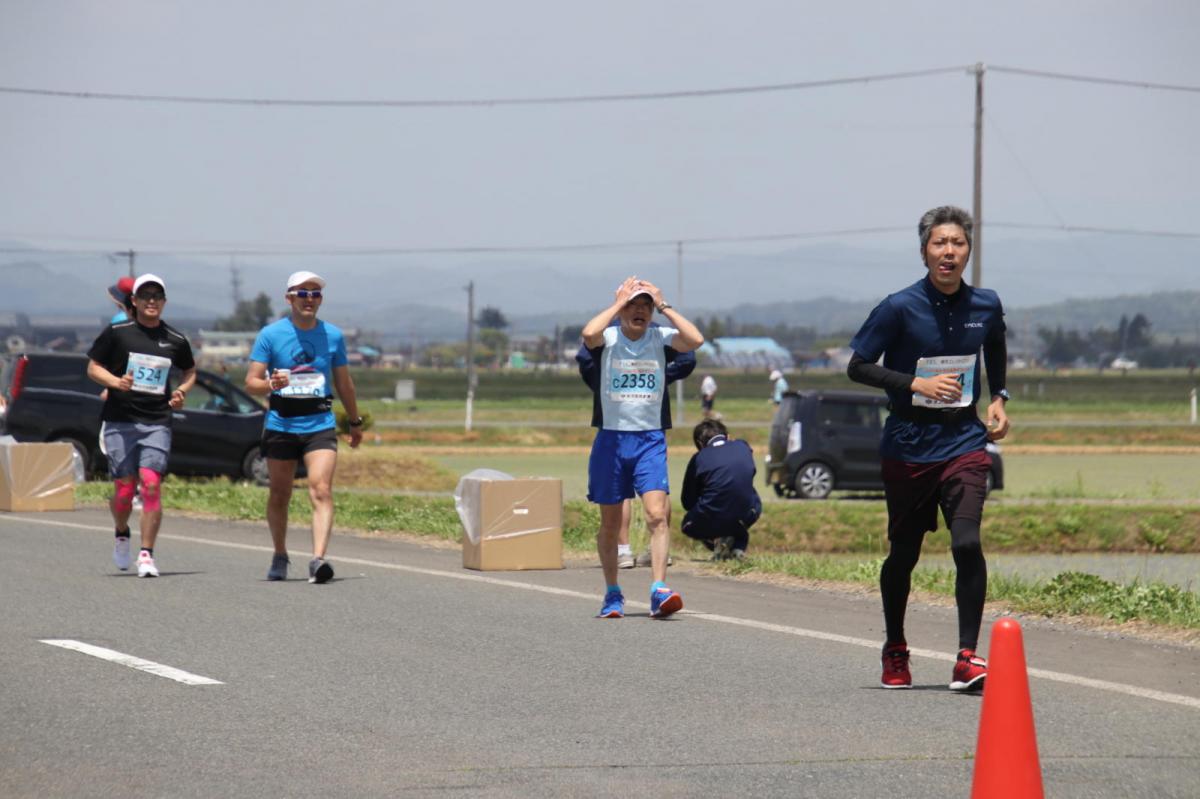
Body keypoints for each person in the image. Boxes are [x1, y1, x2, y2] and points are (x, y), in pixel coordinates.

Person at [847, 205, 1010, 692]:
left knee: (967, 543)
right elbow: (857, 365)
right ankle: (895, 646)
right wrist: (914, 382)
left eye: (957, 243)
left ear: (968, 251)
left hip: (963, 439)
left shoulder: (986, 304)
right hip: (908, 444)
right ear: (924, 252)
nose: (949, 251)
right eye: (939, 243)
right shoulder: (898, 307)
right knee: (904, 553)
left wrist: (999, 396)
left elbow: (996, 346)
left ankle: (966, 657)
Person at [581, 276, 703, 618]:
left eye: (645, 307)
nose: (640, 312)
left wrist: (665, 306)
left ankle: (658, 589)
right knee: (609, 523)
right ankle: (613, 593)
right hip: (611, 439)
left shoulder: (660, 338)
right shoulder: (608, 337)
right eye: (634, 306)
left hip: (650, 438)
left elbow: (695, 339)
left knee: (656, 514)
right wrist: (618, 303)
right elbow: (588, 335)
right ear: (622, 310)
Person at [245, 271, 363, 584]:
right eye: (303, 293)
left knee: (321, 489)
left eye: (315, 294)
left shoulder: (333, 336)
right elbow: (251, 382)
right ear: (289, 298)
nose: (309, 299)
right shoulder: (271, 335)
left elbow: (344, 383)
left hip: (319, 423)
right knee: (279, 493)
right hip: (281, 423)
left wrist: (354, 421)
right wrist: (271, 383)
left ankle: (318, 559)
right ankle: (280, 555)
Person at [87, 274, 196, 578]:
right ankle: (122, 531)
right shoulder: (118, 333)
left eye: (157, 296)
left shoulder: (175, 339)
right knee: (124, 491)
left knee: (150, 484)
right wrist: (115, 382)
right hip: (120, 420)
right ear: (133, 301)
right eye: (145, 295)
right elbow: (93, 367)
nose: (151, 301)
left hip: (157, 420)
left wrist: (181, 392)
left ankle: (146, 555)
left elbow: (190, 371)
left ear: (164, 302)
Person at [576, 321, 696, 569]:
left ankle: (624, 551)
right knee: (656, 488)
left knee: (629, 493)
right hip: (647, 415)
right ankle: (654, 552)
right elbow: (688, 359)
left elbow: (585, 359)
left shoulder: (608, 331)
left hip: (621, 415)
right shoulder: (657, 331)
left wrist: (603, 382)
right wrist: (657, 374)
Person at [680, 419, 761, 560]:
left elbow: (687, 502)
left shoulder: (698, 458)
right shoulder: (743, 445)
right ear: (728, 436)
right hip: (746, 512)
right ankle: (737, 547)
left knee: (686, 525)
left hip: (711, 518)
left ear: (699, 443)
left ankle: (717, 542)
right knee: (751, 497)